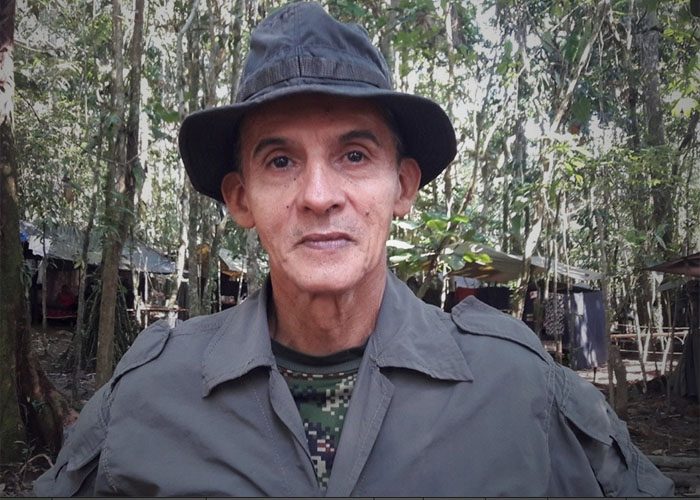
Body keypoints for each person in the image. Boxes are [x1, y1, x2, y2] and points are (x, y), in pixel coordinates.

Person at [35, 2, 673, 496]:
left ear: (402, 187)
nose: (319, 196)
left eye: (355, 155)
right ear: (241, 199)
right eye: (280, 160)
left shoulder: (515, 387)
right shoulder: (149, 396)